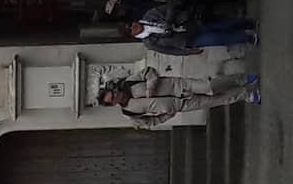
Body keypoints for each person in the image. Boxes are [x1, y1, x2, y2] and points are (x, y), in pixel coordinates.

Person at [99, 70, 258, 123]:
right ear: (113, 104)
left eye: (112, 92)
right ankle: (246, 94)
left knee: (210, 86)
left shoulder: (128, 83)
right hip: (180, 105)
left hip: (179, 86)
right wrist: (167, 116)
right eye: (112, 98)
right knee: (218, 100)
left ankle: (242, 79)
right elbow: (149, 123)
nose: (115, 95)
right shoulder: (128, 113)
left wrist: (150, 87)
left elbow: (149, 71)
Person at [126, 4, 257, 52]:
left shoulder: (149, 16)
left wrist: (169, 21)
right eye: (131, 29)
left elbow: (170, 6)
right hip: (187, 40)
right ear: (132, 35)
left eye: (132, 24)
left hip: (189, 22)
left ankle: (247, 24)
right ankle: (246, 37)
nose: (134, 27)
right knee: (216, 38)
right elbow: (169, 50)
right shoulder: (149, 43)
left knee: (220, 24)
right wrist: (187, 52)